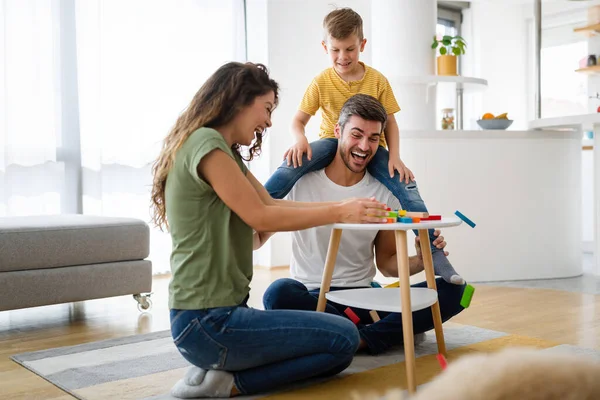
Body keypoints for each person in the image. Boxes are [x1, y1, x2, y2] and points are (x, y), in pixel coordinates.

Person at [150, 62, 388, 398]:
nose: (269, 121)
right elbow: (261, 217)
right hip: (207, 322)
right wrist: (338, 210)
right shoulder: (207, 145)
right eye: (266, 108)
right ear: (239, 102)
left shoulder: (226, 153)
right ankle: (229, 384)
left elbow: (272, 204)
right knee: (344, 339)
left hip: (218, 317)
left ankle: (221, 367)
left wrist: (342, 210)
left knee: (339, 336)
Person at [264, 7, 463, 285]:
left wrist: (395, 157)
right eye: (335, 50)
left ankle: (433, 251)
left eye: (350, 49)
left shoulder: (377, 80)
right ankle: (254, 206)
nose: (342, 57)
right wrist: (300, 140)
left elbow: (390, 123)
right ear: (325, 47)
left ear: (362, 46)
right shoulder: (321, 81)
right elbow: (298, 121)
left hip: (374, 146)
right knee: (290, 166)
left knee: (406, 186)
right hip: (332, 143)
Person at [261, 94, 467, 355]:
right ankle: (379, 331)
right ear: (337, 131)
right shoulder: (302, 182)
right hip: (314, 297)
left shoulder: (384, 191)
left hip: (365, 298)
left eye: (373, 138)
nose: (364, 146)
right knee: (278, 293)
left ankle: (358, 338)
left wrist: (422, 259)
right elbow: (260, 231)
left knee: (458, 291)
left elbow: (388, 264)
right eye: (356, 135)